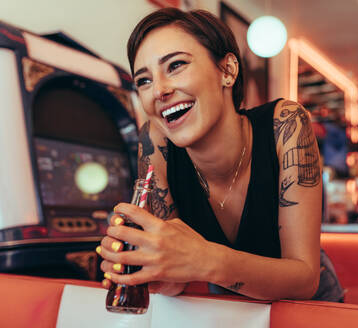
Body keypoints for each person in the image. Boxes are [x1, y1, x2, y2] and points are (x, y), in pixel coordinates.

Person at [97, 7, 344, 302]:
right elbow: (177, 281)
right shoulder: (155, 140)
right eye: (144, 81)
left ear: (227, 71)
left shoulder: (286, 123)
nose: (159, 90)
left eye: (175, 65)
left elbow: (304, 279)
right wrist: (154, 274)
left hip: (307, 308)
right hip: (230, 306)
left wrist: (205, 260)